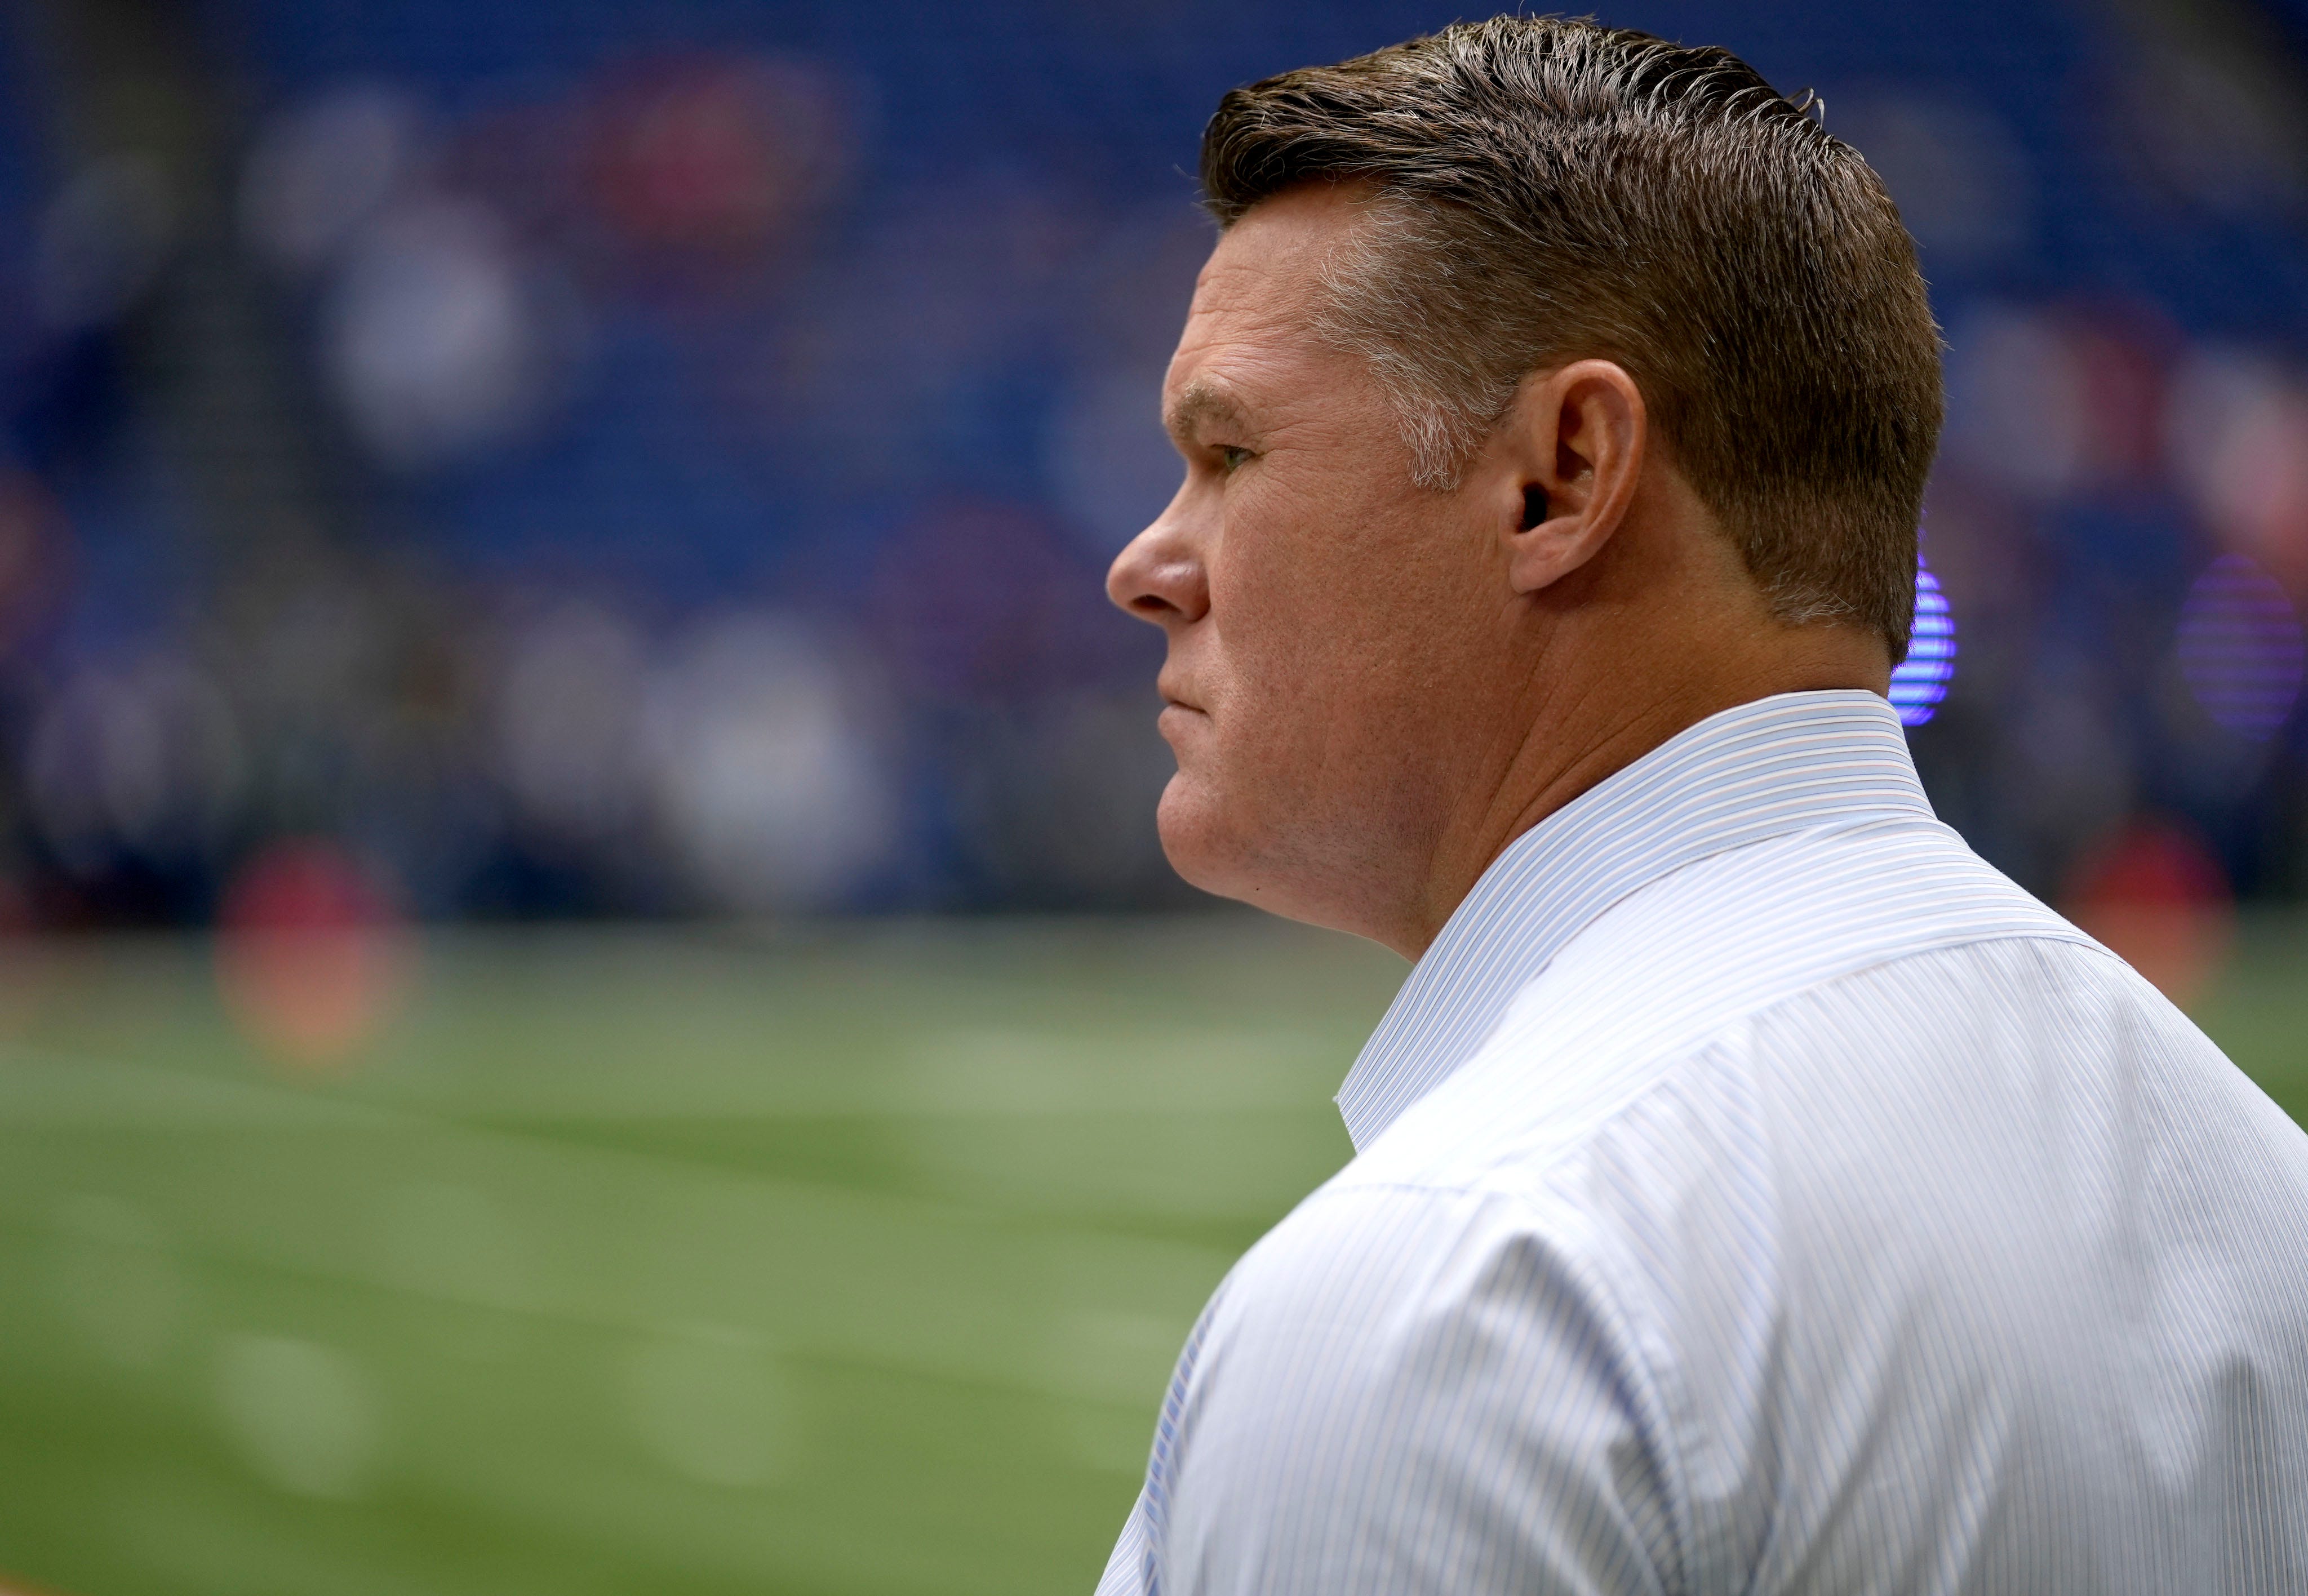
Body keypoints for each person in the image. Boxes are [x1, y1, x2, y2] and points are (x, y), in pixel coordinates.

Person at [1096, 17, 2308, 1595]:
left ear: (1562, 472)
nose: (1147, 563)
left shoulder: (1478, 1282)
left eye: (1229, 450)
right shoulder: (2259, 1184)